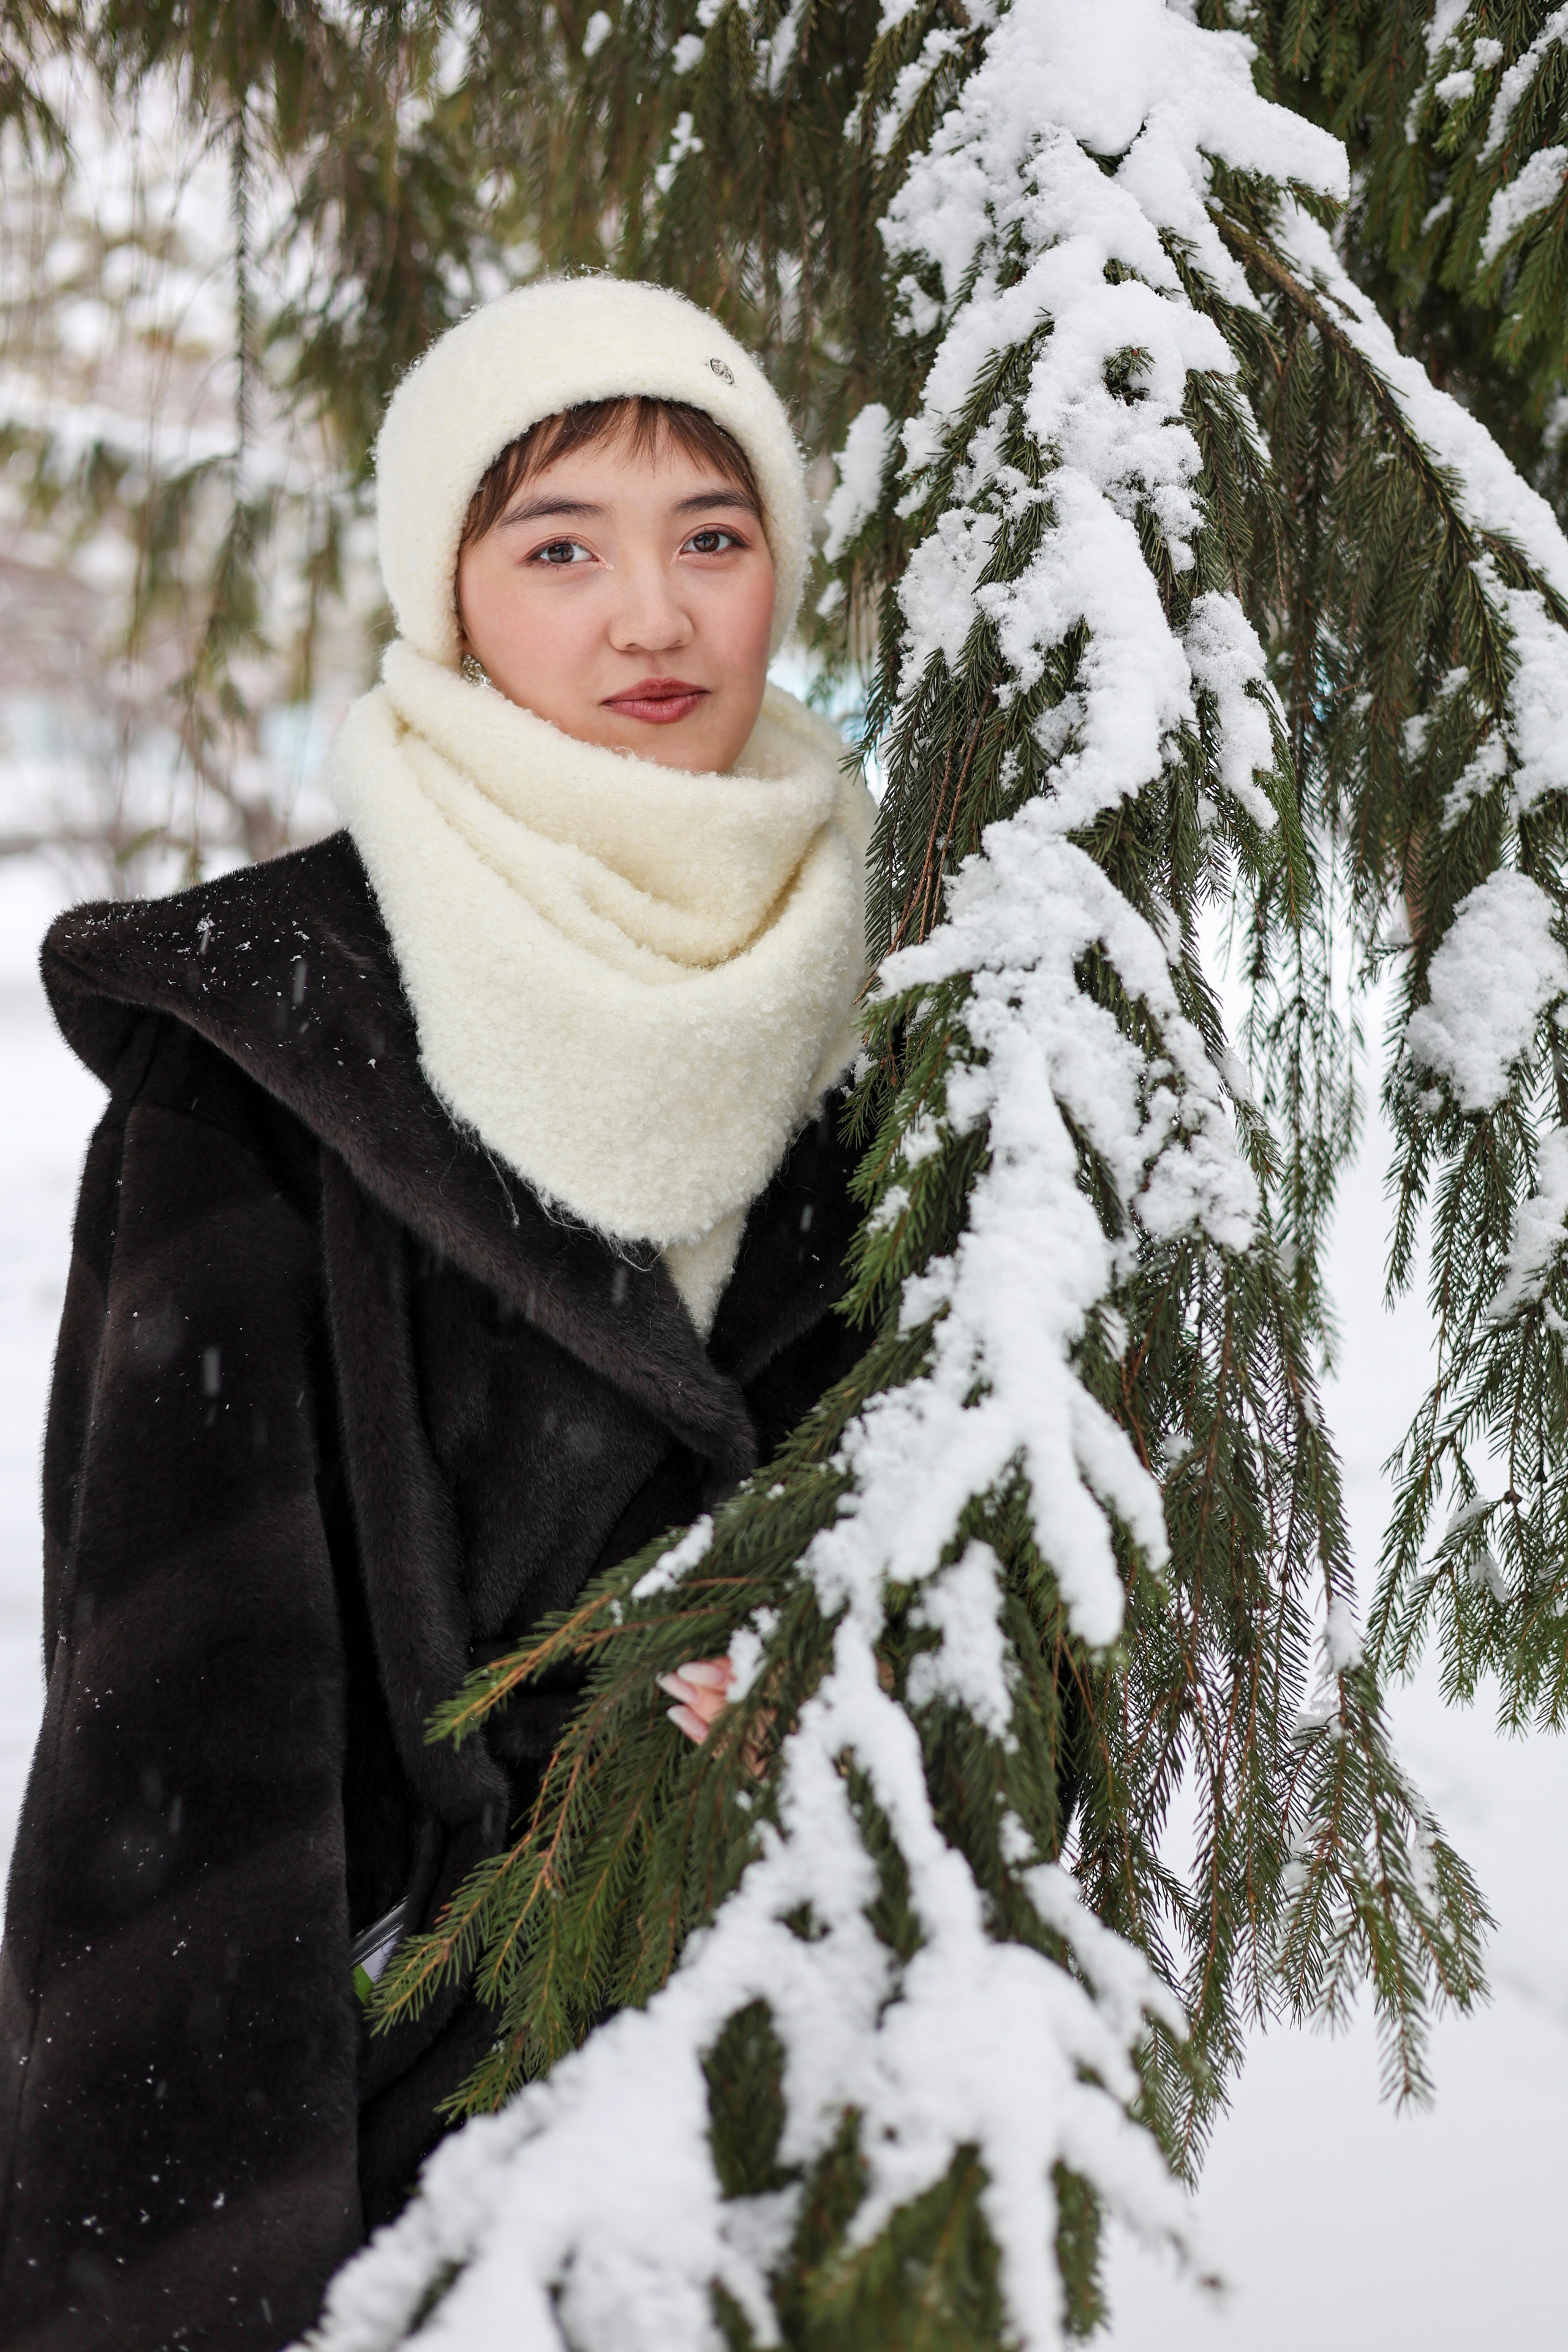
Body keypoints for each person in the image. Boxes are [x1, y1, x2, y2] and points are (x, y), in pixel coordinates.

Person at [0, 276, 874, 2350]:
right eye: (559, 544)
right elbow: (181, 1738)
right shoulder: (282, 1046)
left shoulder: (905, 1023)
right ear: (453, 593)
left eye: (713, 536)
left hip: (803, 2116)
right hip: (405, 2166)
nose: (651, 618)